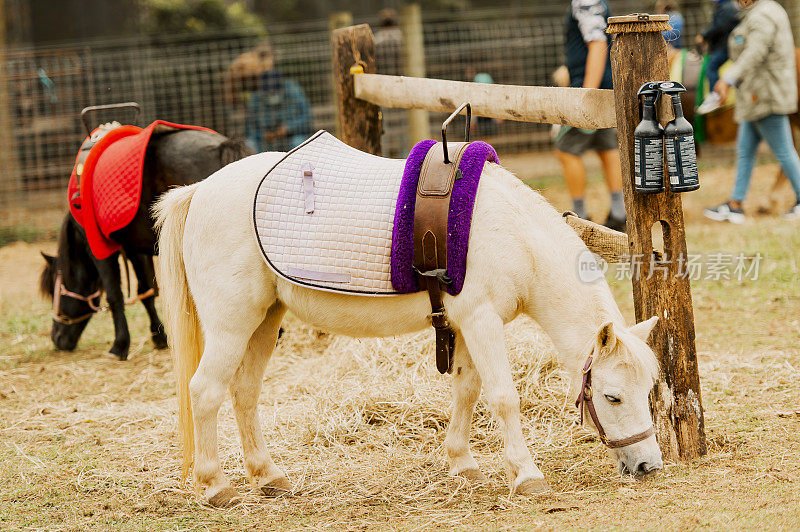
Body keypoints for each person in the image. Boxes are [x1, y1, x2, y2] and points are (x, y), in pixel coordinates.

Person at [703, 0, 800, 222]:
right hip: (754, 96)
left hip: (765, 95)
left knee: (784, 151)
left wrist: (727, 78)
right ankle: (735, 205)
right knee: (745, 151)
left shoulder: (762, 16)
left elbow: (754, 53)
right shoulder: (761, 11)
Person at [557, 0, 626, 231]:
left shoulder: (585, 1)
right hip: (606, 87)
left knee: (565, 150)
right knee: (607, 148)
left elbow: (597, 43)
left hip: (589, 91)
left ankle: (581, 217)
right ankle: (619, 215)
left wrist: (586, 95)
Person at [245, 69, 313, 153]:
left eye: (274, 92)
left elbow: (306, 117)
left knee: (298, 142)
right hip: (265, 142)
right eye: (269, 92)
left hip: (291, 137)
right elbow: (250, 128)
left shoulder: (293, 90)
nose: (271, 94)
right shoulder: (255, 99)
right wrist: (263, 135)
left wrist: (287, 128)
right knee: (249, 144)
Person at [695, 0, 740, 115]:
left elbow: (719, 26)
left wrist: (704, 36)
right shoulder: (725, 6)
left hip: (725, 47)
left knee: (711, 67)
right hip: (724, 45)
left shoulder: (727, 7)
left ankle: (715, 97)